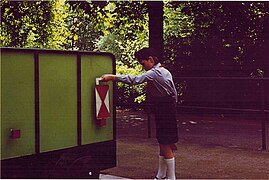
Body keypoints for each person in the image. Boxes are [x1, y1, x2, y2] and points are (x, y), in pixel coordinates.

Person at [100, 47, 178, 179]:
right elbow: (175, 93)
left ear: (151, 59)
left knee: (164, 142)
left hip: (164, 108)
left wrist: (113, 77)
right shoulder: (165, 71)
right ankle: (161, 175)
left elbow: (134, 80)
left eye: (143, 63)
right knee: (163, 141)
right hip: (168, 108)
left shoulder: (154, 73)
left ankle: (171, 178)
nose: (143, 67)